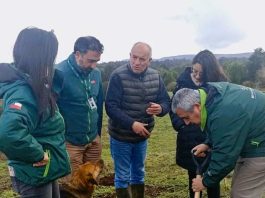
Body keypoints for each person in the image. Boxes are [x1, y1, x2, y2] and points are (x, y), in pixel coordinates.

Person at [0, 27, 71, 197]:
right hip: (35, 171)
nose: (52, 62)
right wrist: (37, 154)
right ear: (38, 58)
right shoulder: (24, 92)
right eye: (49, 57)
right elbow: (8, 132)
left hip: (45, 170)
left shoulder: (37, 85)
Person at [171, 82, 265, 198]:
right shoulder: (211, 95)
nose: (186, 122)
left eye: (186, 117)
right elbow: (222, 129)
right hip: (252, 137)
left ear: (196, 107)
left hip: (260, 145)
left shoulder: (224, 112)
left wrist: (205, 181)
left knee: (242, 194)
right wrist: (208, 143)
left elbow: (225, 156)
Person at [105, 42, 171, 198]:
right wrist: (132, 124)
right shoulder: (118, 76)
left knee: (139, 173)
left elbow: (166, 102)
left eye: (142, 59)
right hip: (121, 137)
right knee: (122, 176)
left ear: (150, 60)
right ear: (130, 55)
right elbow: (111, 107)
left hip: (142, 137)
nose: (137, 62)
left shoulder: (156, 76)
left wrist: (160, 108)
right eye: (134, 57)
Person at [169, 49, 228, 198]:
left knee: (213, 179)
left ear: (209, 72)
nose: (196, 75)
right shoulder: (182, 82)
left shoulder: (218, 85)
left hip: (210, 136)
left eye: (200, 73)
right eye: (194, 71)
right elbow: (174, 108)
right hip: (189, 138)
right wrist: (182, 124)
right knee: (194, 178)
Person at [53, 36, 104, 181]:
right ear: (77, 54)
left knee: (90, 183)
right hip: (70, 143)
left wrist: (97, 135)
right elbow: (51, 111)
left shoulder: (96, 74)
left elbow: (99, 105)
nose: (94, 65)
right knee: (73, 185)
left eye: (97, 61)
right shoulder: (59, 73)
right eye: (91, 61)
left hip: (93, 140)